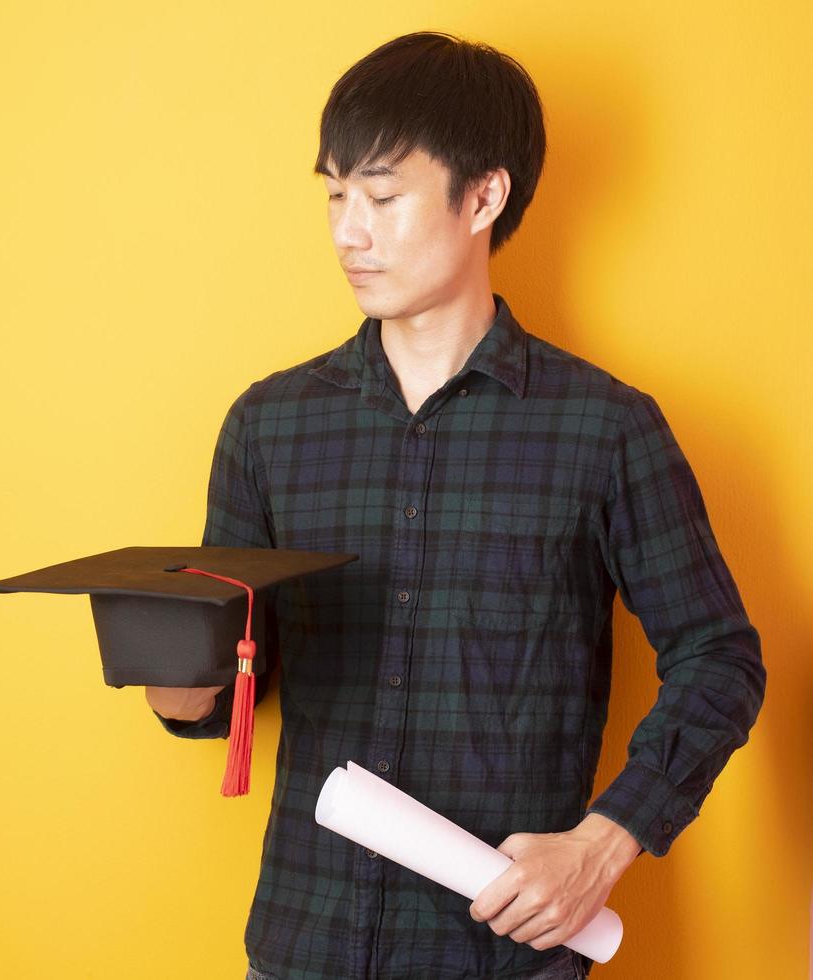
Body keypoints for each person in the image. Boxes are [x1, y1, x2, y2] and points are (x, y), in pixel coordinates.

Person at [144, 30, 766, 980]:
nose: (348, 230)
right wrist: (173, 680)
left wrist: (603, 843)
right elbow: (229, 689)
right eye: (335, 194)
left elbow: (719, 657)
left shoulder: (604, 430)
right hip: (300, 945)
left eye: (383, 196)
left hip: (500, 958)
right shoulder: (267, 427)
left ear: (483, 196)